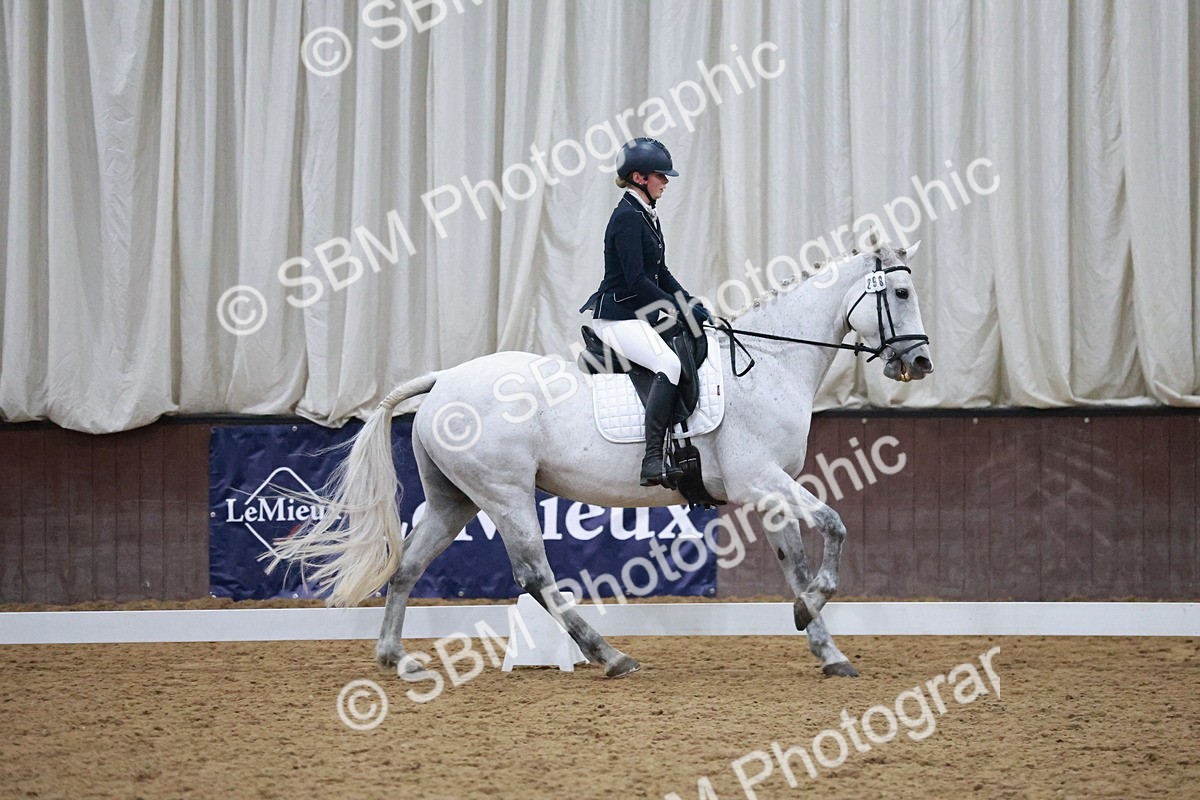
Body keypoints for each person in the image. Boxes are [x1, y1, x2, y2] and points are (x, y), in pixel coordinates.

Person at [578, 138, 713, 487]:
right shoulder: (626, 218)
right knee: (668, 364)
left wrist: (689, 301)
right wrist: (679, 311)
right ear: (639, 178)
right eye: (660, 176)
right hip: (617, 318)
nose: (666, 182)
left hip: (636, 315)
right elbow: (637, 281)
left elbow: (661, 273)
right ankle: (651, 460)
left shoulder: (646, 214)